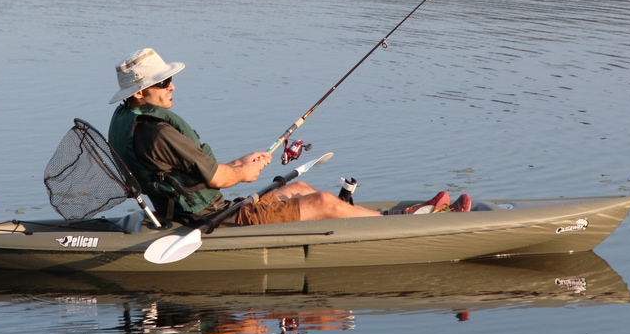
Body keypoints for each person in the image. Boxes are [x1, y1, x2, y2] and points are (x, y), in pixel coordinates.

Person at [107, 48, 470, 226]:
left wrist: (241, 162)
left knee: (300, 188)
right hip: (209, 221)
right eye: (162, 83)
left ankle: (398, 215)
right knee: (324, 201)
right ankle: (407, 225)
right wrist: (245, 172)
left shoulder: (128, 119)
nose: (171, 85)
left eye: (169, 78)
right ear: (139, 93)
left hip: (192, 210)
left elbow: (192, 171)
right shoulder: (157, 131)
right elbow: (218, 178)